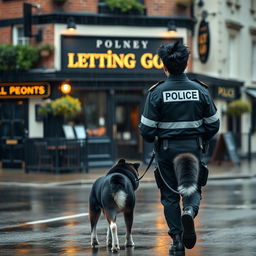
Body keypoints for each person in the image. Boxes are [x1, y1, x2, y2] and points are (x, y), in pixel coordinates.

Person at [139, 41, 219, 255]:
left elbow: (146, 130)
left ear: (164, 66)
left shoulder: (156, 93)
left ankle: (177, 240)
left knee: (169, 196)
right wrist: (200, 139)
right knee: (191, 188)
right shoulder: (200, 90)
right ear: (186, 64)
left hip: (166, 152)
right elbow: (214, 124)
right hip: (193, 149)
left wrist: (158, 138)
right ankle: (190, 211)